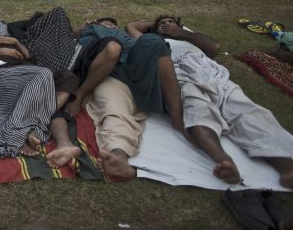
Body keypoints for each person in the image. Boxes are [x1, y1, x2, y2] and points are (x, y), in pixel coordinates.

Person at [127, 16, 293, 189]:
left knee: (248, 113)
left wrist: (180, 32)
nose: (166, 24)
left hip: (213, 74)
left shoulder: (191, 38)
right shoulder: (155, 42)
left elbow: (214, 48)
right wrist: (157, 26)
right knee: (197, 112)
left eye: (170, 21)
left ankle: (285, 166)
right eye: (162, 24)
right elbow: (131, 25)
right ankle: (224, 161)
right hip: (181, 74)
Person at [67, 17, 183, 180]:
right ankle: (118, 156)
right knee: (114, 110)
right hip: (109, 76)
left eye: (112, 24)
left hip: (138, 70)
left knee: (153, 41)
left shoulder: (127, 36)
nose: (109, 26)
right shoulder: (86, 34)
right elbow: (65, 36)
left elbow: (132, 26)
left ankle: (178, 116)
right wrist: (84, 27)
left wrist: (163, 25)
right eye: (104, 24)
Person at [0, 34, 81, 166]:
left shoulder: (21, 48)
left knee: (67, 77)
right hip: (9, 74)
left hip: (33, 75)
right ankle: (23, 132)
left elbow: (30, 57)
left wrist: (16, 42)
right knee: (43, 74)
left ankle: (30, 130)